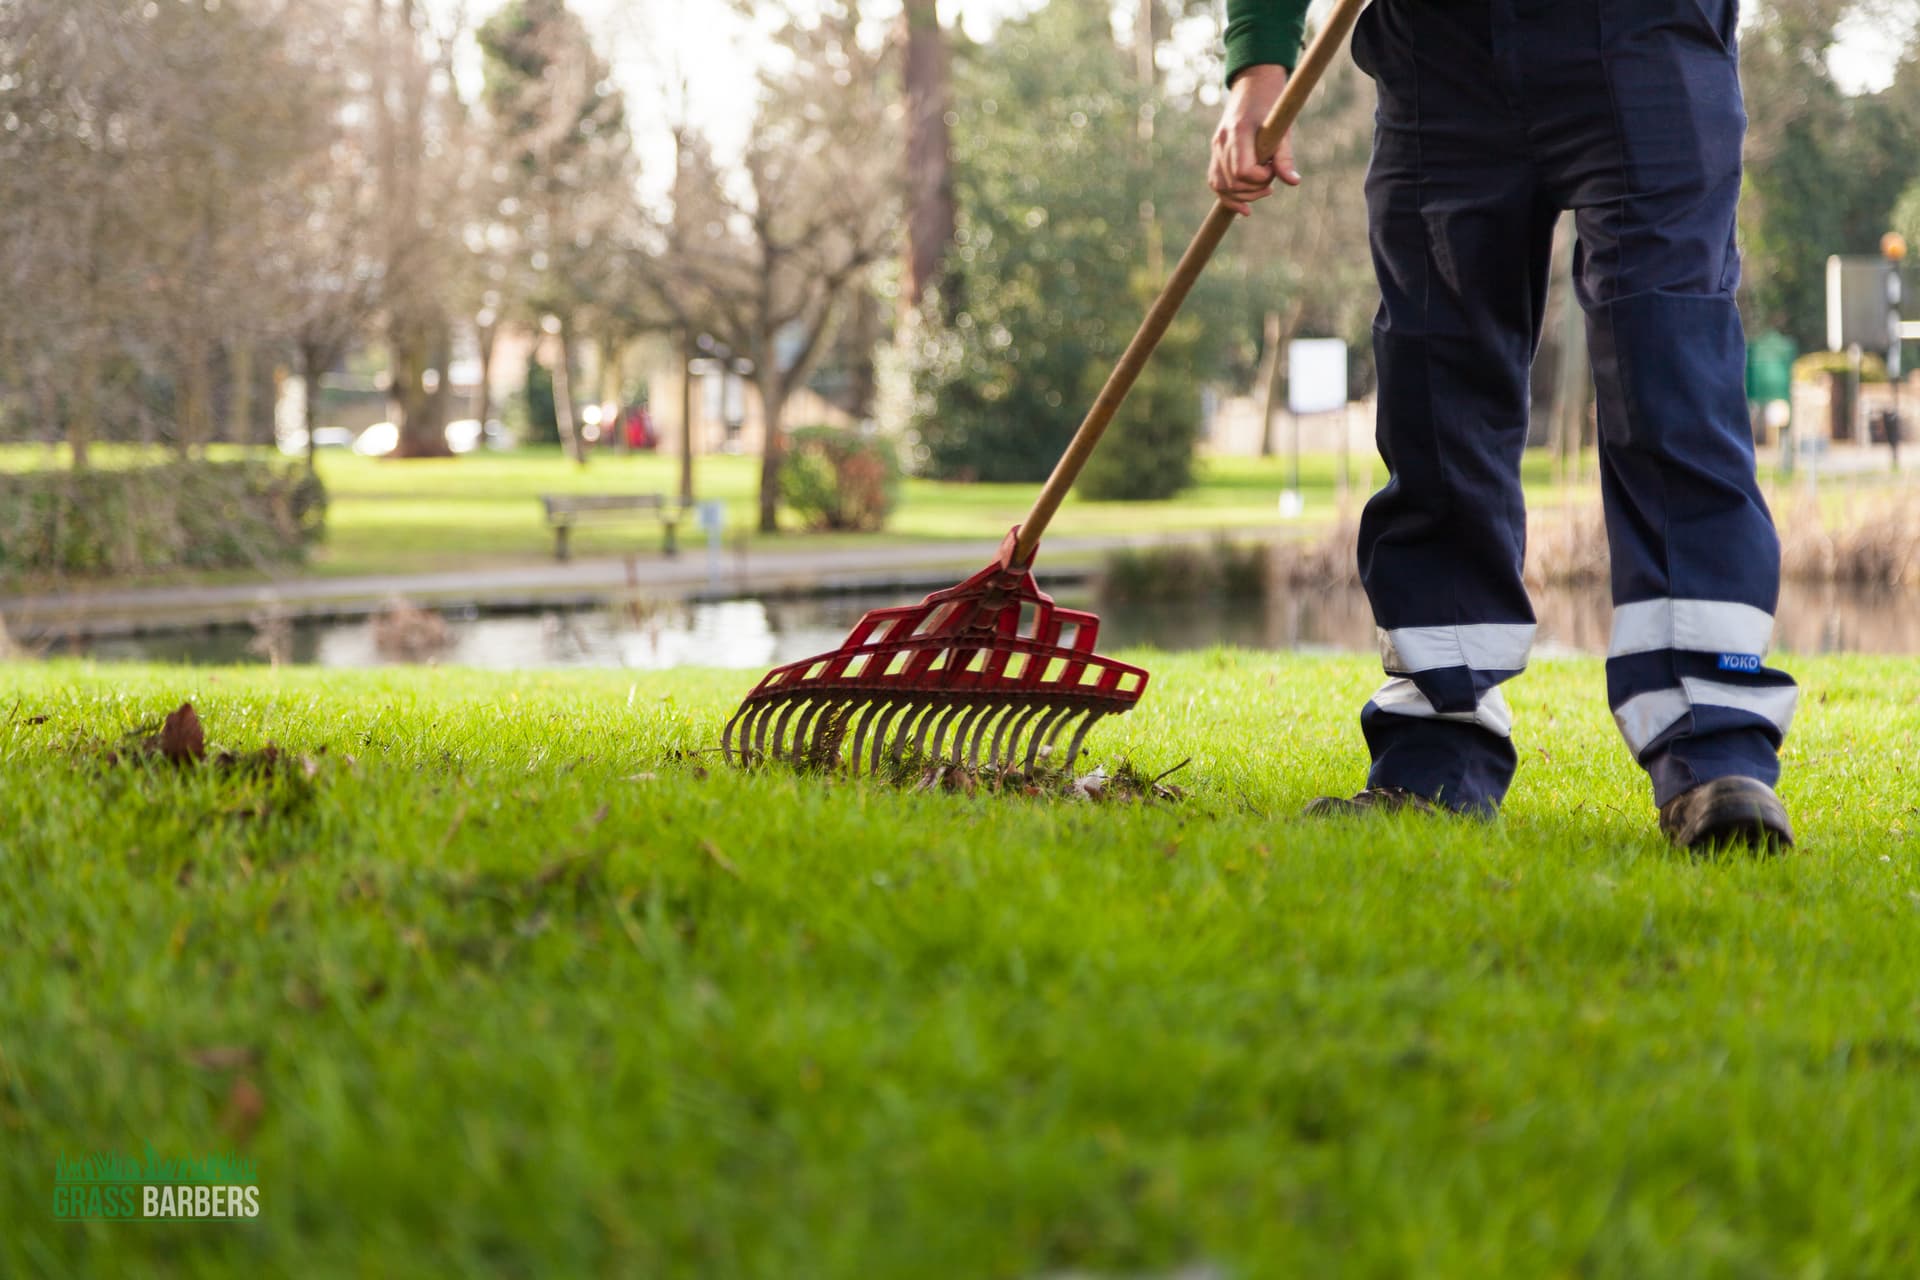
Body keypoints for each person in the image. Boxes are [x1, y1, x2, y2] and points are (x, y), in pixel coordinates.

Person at [1210, 0, 1796, 850]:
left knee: (1672, 379)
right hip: (1440, 55)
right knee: (1435, 398)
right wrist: (1259, 63)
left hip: (1646, 31)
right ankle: (1438, 747)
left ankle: (1714, 749)